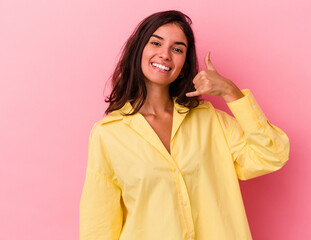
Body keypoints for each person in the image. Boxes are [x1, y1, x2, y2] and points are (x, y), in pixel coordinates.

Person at [79, 10, 290, 240]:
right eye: (156, 43)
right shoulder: (108, 134)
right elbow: (98, 227)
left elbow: (271, 154)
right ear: (139, 50)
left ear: (183, 65)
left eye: (177, 49)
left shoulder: (209, 120)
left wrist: (231, 92)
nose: (165, 54)